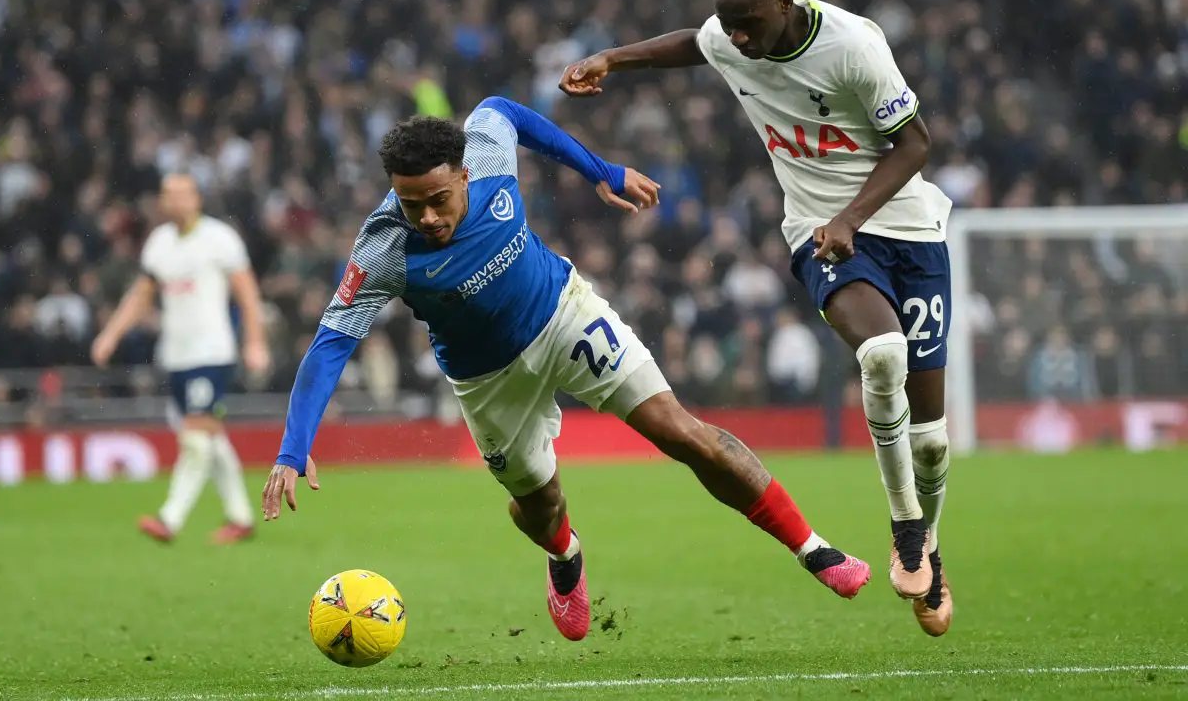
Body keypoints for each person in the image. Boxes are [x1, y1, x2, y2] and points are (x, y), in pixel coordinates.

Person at [261, 96, 871, 642]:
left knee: (684, 434)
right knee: (541, 503)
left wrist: (601, 171)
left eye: (439, 200)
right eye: (411, 203)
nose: (426, 217)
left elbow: (506, 109)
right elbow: (329, 344)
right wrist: (293, 448)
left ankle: (811, 548)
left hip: (564, 315)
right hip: (487, 381)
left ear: (466, 174)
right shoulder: (383, 248)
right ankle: (565, 556)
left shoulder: (489, 150)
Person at [558, 0, 954, 636]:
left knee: (932, 439)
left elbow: (916, 144)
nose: (735, 36)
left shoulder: (853, 46)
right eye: (726, 20)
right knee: (881, 355)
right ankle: (906, 528)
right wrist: (612, 59)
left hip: (906, 229)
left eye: (747, 21)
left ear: (783, 2)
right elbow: (694, 44)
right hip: (818, 232)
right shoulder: (731, 35)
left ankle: (931, 546)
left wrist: (853, 217)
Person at [92, 174, 270, 545]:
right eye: (167, 195)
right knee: (209, 437)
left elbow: (247, 292)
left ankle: (169, 518)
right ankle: (240, 517)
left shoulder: (220, 238)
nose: (174, 202)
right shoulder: (159, 244)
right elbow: (141, 296)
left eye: (181, 194)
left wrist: (255, 341)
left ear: (196, 198)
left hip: (211, 352)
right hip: (175, 356)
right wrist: (111, 334)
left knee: (195, 437)